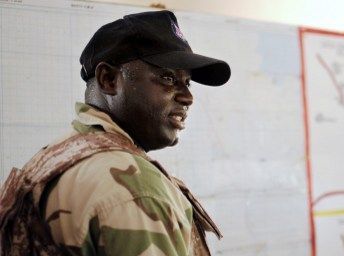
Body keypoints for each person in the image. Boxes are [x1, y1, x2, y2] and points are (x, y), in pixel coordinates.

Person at [0, 10, 230, 255]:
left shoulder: (55, 158)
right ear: (109, 79)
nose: (188, 97)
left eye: (187, 82)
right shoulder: (136, 188)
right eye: (167, 77)